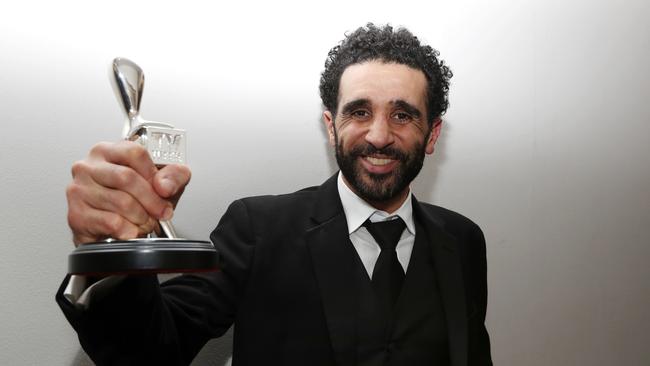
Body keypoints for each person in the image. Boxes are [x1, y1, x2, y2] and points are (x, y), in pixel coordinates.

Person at [57, 23, 492, 366]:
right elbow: (150, 352)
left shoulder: (464, 240)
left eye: (402, 115)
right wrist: (107, 251)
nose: (379, 135)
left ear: (431, 133)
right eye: (359, 111)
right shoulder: (256, 229)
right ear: (331, 125)